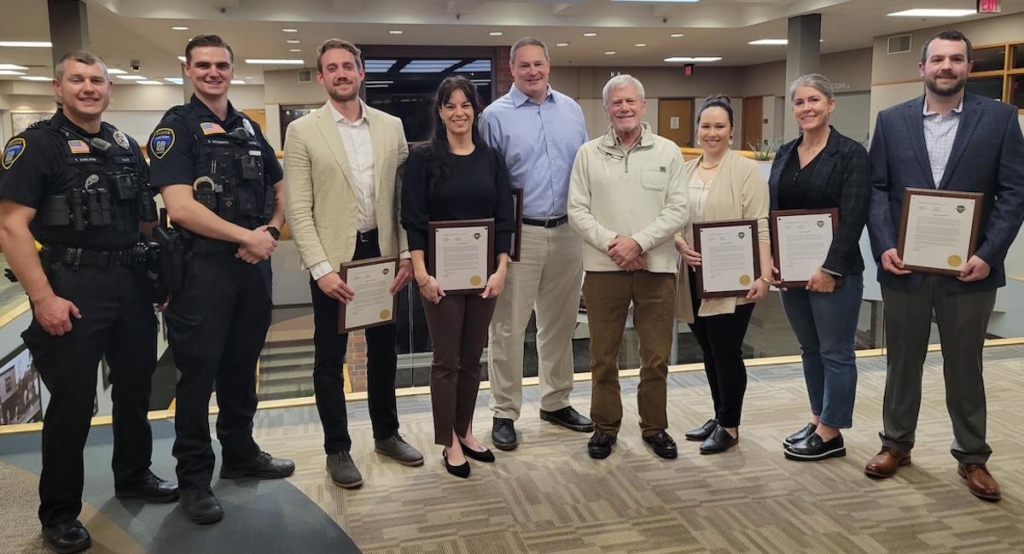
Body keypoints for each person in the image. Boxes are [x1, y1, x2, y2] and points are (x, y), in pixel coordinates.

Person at [0, 51, 177, 554]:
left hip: (129, 284)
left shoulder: (123, 146)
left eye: (96, 80)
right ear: (58, 87)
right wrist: (42, 298)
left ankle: (134, 475)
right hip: (71, 286)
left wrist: (160, 270)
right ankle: (58, 512)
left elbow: (145, 219)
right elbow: (10, 225)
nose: (88, 88)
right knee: (74, 405)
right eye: (77, 80)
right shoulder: (36, 145)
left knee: (134, 391)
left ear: (109, 88)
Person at [865, 30, 1024, 501]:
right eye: (938, 59)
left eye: (956, 59)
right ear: (922, 68)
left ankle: (972, 457)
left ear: (969, 67)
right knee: (902, 360)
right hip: (904, 267)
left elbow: (1015, 193)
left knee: (965, 364)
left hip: (970, 270)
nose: (946, 67)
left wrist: (987, 254)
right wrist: (883, 245)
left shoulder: (998, 118)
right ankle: (896, 444)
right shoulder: (891, 121)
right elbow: (877, 190)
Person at [148, 34, 292, 524]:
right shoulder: (177, 128)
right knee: (197, 378)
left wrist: (270, 229)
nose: (214, 72)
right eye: (203, 65)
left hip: (251, 270)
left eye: (222, 65)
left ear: (233, 68)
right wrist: (246, 237)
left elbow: (281, 184)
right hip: (201, 270)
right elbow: (181, 207)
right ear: (188, 70)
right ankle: (193, 478)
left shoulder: (250, 129)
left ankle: (241, 452)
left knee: (241, 368)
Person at [283, 38, 423, 489]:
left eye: (349, 66)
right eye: (332, 68)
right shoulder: (303, 131)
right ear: (321, 77)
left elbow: (404, 198)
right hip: (334, 260)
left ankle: (387, 433)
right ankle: (337, 448)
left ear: (362, 73)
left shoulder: (390, 126)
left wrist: (404, 253)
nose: (341, 73)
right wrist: (320, 268)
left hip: (382, 254)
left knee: (385, 350)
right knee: (329, 357)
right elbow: (299, 209)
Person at [479, 37, 592, 450]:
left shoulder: (572, 110)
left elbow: (586, 169)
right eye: (523, 65)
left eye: (538, 64)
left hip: (567, 231)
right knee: (508, 327)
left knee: (560, 323)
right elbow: (488, 184)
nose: (532, 71)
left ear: (549, 65)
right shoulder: (494, 117)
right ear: (511, 69)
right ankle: (504, 411)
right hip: (518, 235)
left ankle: (556, 400)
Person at [568, 75, 687, 460]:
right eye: (616, 103)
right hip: (604, 271)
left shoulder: (668, 152)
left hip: (657, 270)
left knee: (656, 357)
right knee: (603, 357)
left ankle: (655, 428)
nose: (623, 108)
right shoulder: (588, 153)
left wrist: (640, 243)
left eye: (630, 102)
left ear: (644, 105)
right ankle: (604, 427)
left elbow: (678, 209)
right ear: (606, 110)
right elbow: (577, 211)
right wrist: (616, 245)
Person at [402, 76, 514, 478]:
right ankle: (447, 440)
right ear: (440, 112)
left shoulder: (491, 159)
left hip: (485, 277)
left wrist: (502, 268)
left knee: (472, 359)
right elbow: (413, 220)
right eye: (450, 105)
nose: (459, 112)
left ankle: (465, 429)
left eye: (465, 104)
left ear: (475, 109)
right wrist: (421, 273)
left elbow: (504, 219)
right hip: (439, 279)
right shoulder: (422, 160)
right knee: (446, 360)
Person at [768, 74, 870, 462]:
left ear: (830, 105)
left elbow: (856, 215)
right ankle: (817, 418)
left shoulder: (850, 154)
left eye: (814, 100)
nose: (806, 108)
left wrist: (830, 269)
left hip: (835, 275)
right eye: (799, 102)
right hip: (792, 273)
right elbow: (775, 211)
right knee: (809, 349)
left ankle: (832, 431)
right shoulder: (785, 152)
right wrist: (773, 259)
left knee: (836, 352)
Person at [675, 95, 772, 455]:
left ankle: (730, 425)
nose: (712, 133)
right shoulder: (684, 170)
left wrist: (764, 275)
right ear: (697, 129)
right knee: (707, 348)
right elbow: (673, 218)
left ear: (732, 131)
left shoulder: (746, 170)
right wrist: (678, 242)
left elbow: (760, 223)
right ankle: (719, 415)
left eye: (720, 126)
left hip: (734, 278)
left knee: (726, 349)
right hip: (692, 273)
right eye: (706, 126)